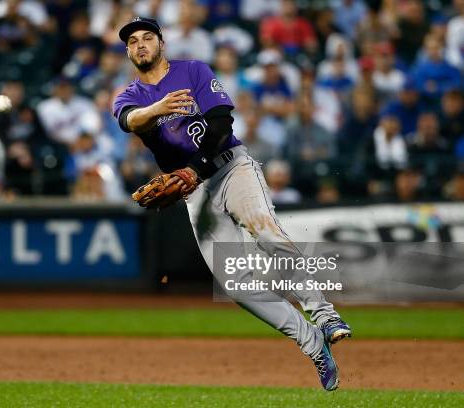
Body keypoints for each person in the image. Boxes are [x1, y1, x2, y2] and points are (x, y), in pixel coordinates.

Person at [113, 16, 350, 392]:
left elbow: (222, 122)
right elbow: (131, 121)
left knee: (266, 232)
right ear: (128, 51)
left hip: (230, 168)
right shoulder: (131, 96)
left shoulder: (193, 71)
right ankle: (312, 344)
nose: (140, 45)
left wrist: (195, 168)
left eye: (147, 37)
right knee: (235, 284)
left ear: (161, 43)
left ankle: (325, 314)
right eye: (132, 41)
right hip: (192, 190)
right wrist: (158, 110)